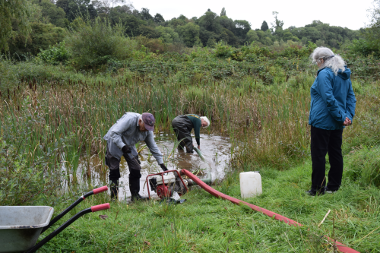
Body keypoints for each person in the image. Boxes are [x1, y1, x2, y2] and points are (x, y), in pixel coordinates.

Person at [307, 47, 356, 196]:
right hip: (337, 122)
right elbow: (350, 98)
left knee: (319, 154)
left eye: (317, 61)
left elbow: (329, 98)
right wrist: (347, 117)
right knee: (335, 153)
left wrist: (342, 117)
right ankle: (333, 187)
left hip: (322, 121)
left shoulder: (324, 74)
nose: (317, 64)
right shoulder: (344, 74)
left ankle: (318, 189)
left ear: (322, 60)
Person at [103, 112, 168, 201]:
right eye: (145, 128)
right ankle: (114, 198)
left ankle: (135, 195)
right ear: (140, 121)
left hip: (129, 144)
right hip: (115, 141)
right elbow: (114, 133)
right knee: (114, 171)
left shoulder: (147, 130)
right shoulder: (130, 119)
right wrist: (122, 146)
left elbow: (153, 147)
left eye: (148, 129)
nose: (146, 130)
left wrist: (161, 163)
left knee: (136, 168)